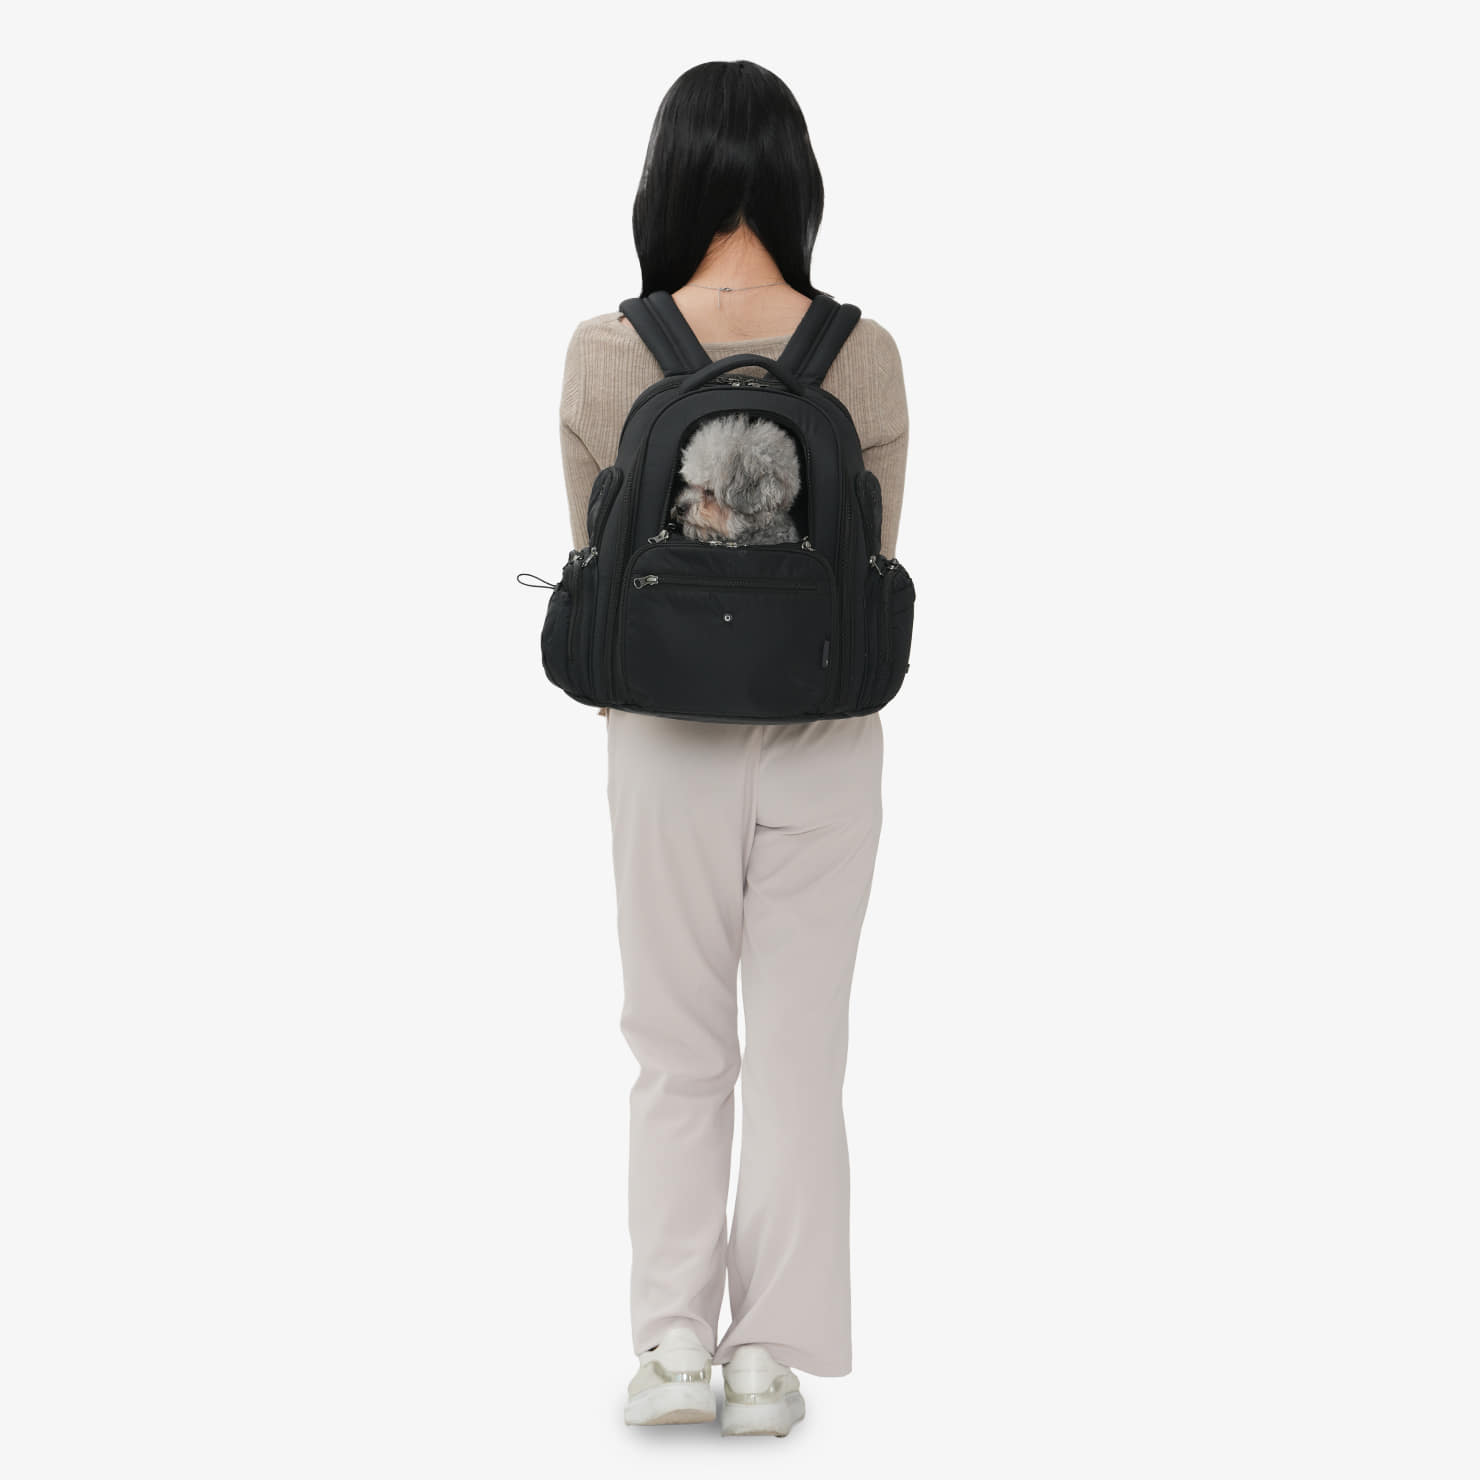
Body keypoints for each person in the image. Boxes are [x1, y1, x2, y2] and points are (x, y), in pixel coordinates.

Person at [556, 60, 909, 1438]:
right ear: (796, 182)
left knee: (674, 1045)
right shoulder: (864, 355)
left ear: (669, 183)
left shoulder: (606, 350)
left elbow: (595, 564)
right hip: (826, 738)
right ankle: (766, 1362)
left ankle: (669, 1346)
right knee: (802, 1052)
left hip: (661, 744)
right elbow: (874, 566)